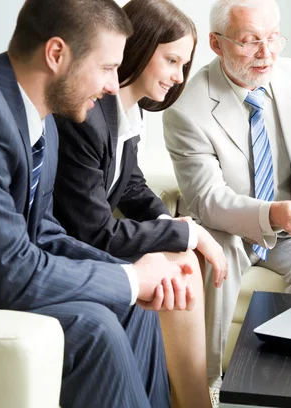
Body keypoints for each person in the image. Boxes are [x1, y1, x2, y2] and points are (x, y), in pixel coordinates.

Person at [0, 0, 194, 407]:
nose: (114, 86)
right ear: (56, 54)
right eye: (106, 68)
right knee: (96, 325)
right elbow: (12, 270)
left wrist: (132, 274)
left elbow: (43, 232)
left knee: (135, 307)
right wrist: (132, 279)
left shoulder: (40, 112)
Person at [163, 0, 291, 388]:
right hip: (226, 225)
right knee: (214, 261)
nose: (266, 53)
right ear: (217, 44)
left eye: (272, 38)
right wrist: (271, 214)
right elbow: (206, 198)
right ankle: (207, 384)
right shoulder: (184, 105)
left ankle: (280, 374)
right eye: (250, 41)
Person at [52, 1, 225, 407]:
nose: (178, 76)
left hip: (90, 243)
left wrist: (175, 226)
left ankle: (191, 398)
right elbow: (94, 231)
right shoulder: (86, 116)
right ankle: (195, 401)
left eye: (184, 64)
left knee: (181, 258)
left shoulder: (128, 111)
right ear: (140, 46)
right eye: (171, 60)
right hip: (72, 251)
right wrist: (187, 231)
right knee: (176, 264)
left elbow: (129, 184)